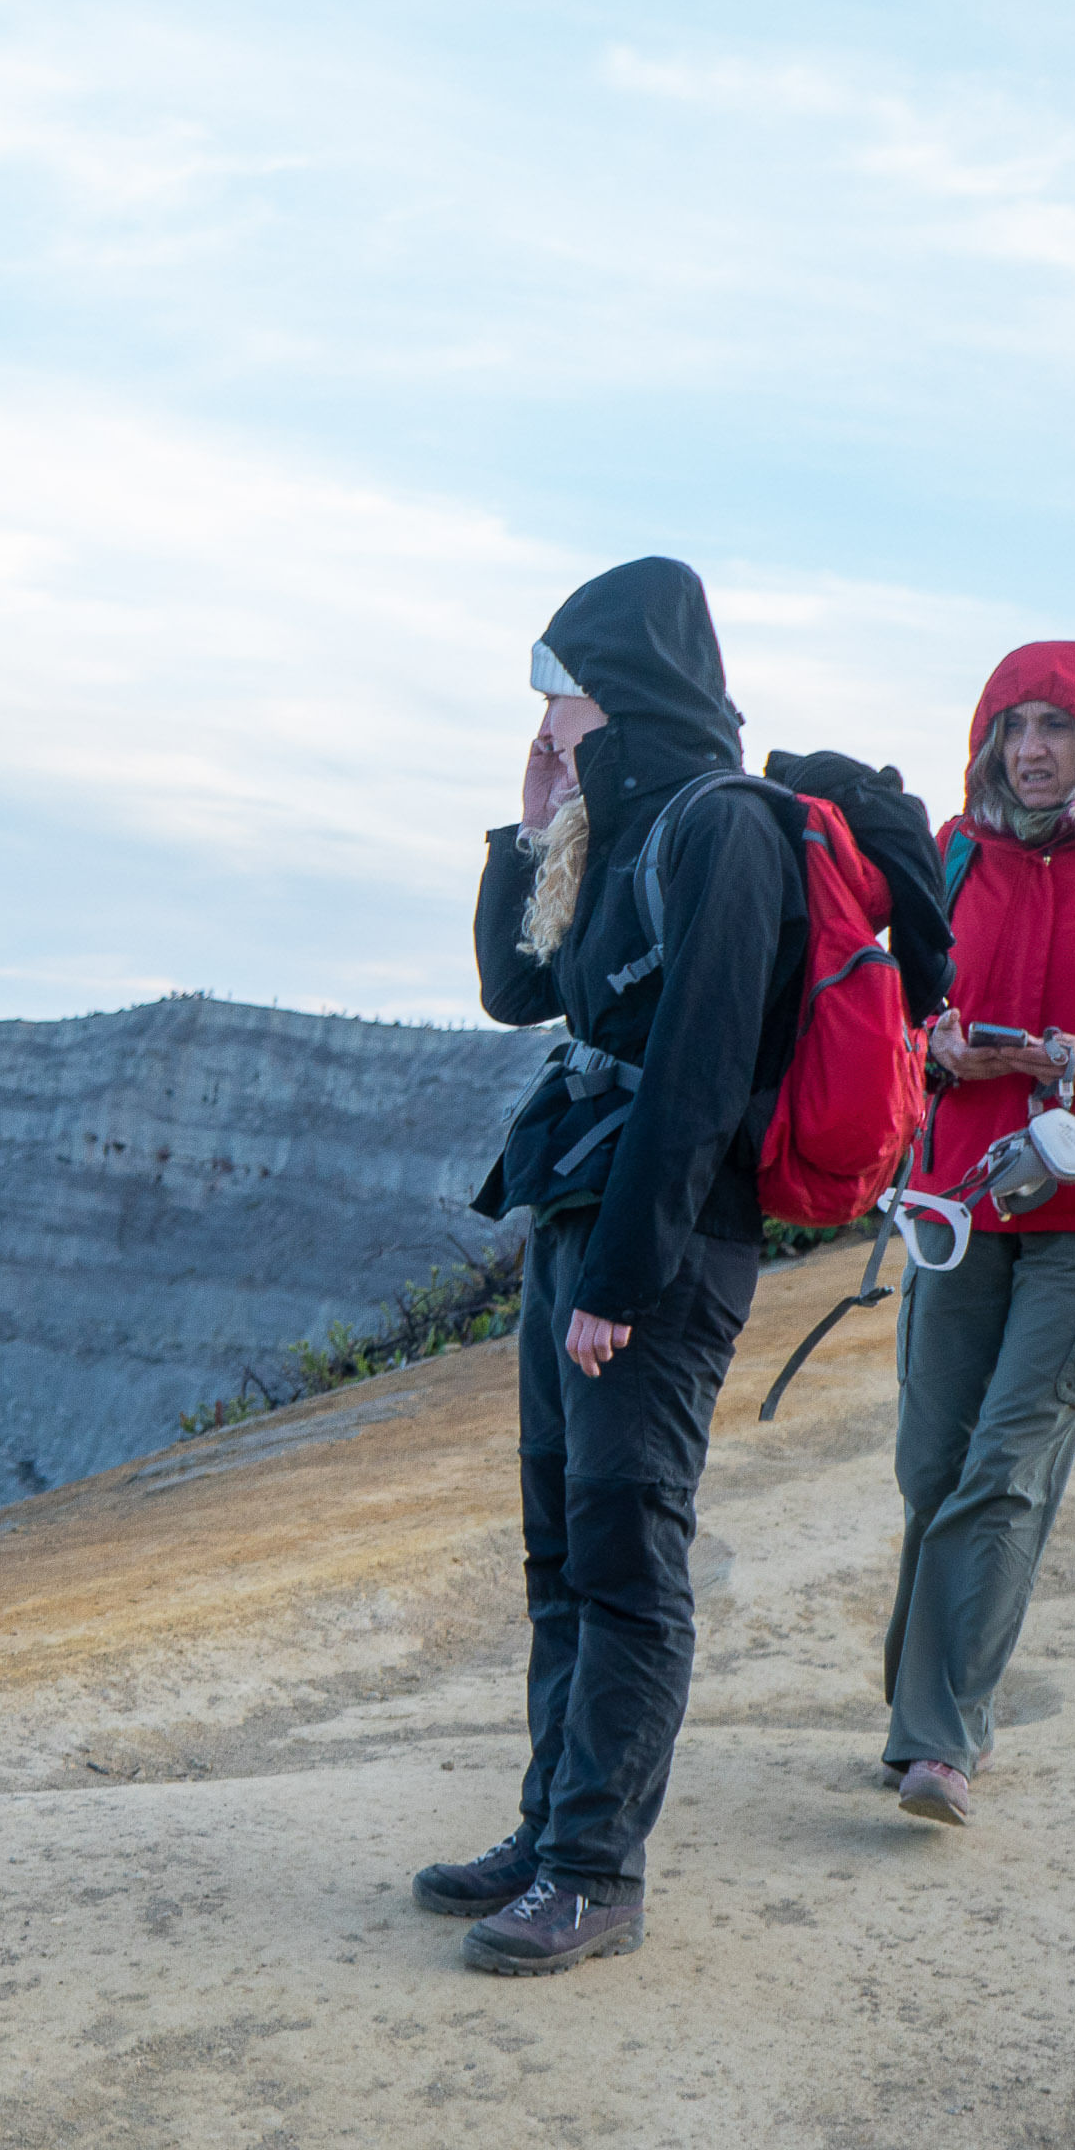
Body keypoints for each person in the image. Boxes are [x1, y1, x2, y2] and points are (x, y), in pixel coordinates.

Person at [418, 557, 807, 1975]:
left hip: (654, 1241)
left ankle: (594, 1871)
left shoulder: (723, 827)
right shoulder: (615, 822)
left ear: (620, 683)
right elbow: (519, 992)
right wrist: (527, 824)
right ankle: (547, 1828)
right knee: (559, 1546)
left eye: (555, 685)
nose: (540, 712)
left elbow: (697, 1081)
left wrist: (618, 1286)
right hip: (578, 1218)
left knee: (626, 1552)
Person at [884, 641, 1075, 1826]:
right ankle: (912, 1714)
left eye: (1056, 726)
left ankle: (939, 1740)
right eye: (1012, 725)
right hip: (961, 1197)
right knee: (930, 1462)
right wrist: (936, 1043)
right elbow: (898, 1013)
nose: (1031, 749)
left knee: (1005, 1465)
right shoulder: (954, 859)